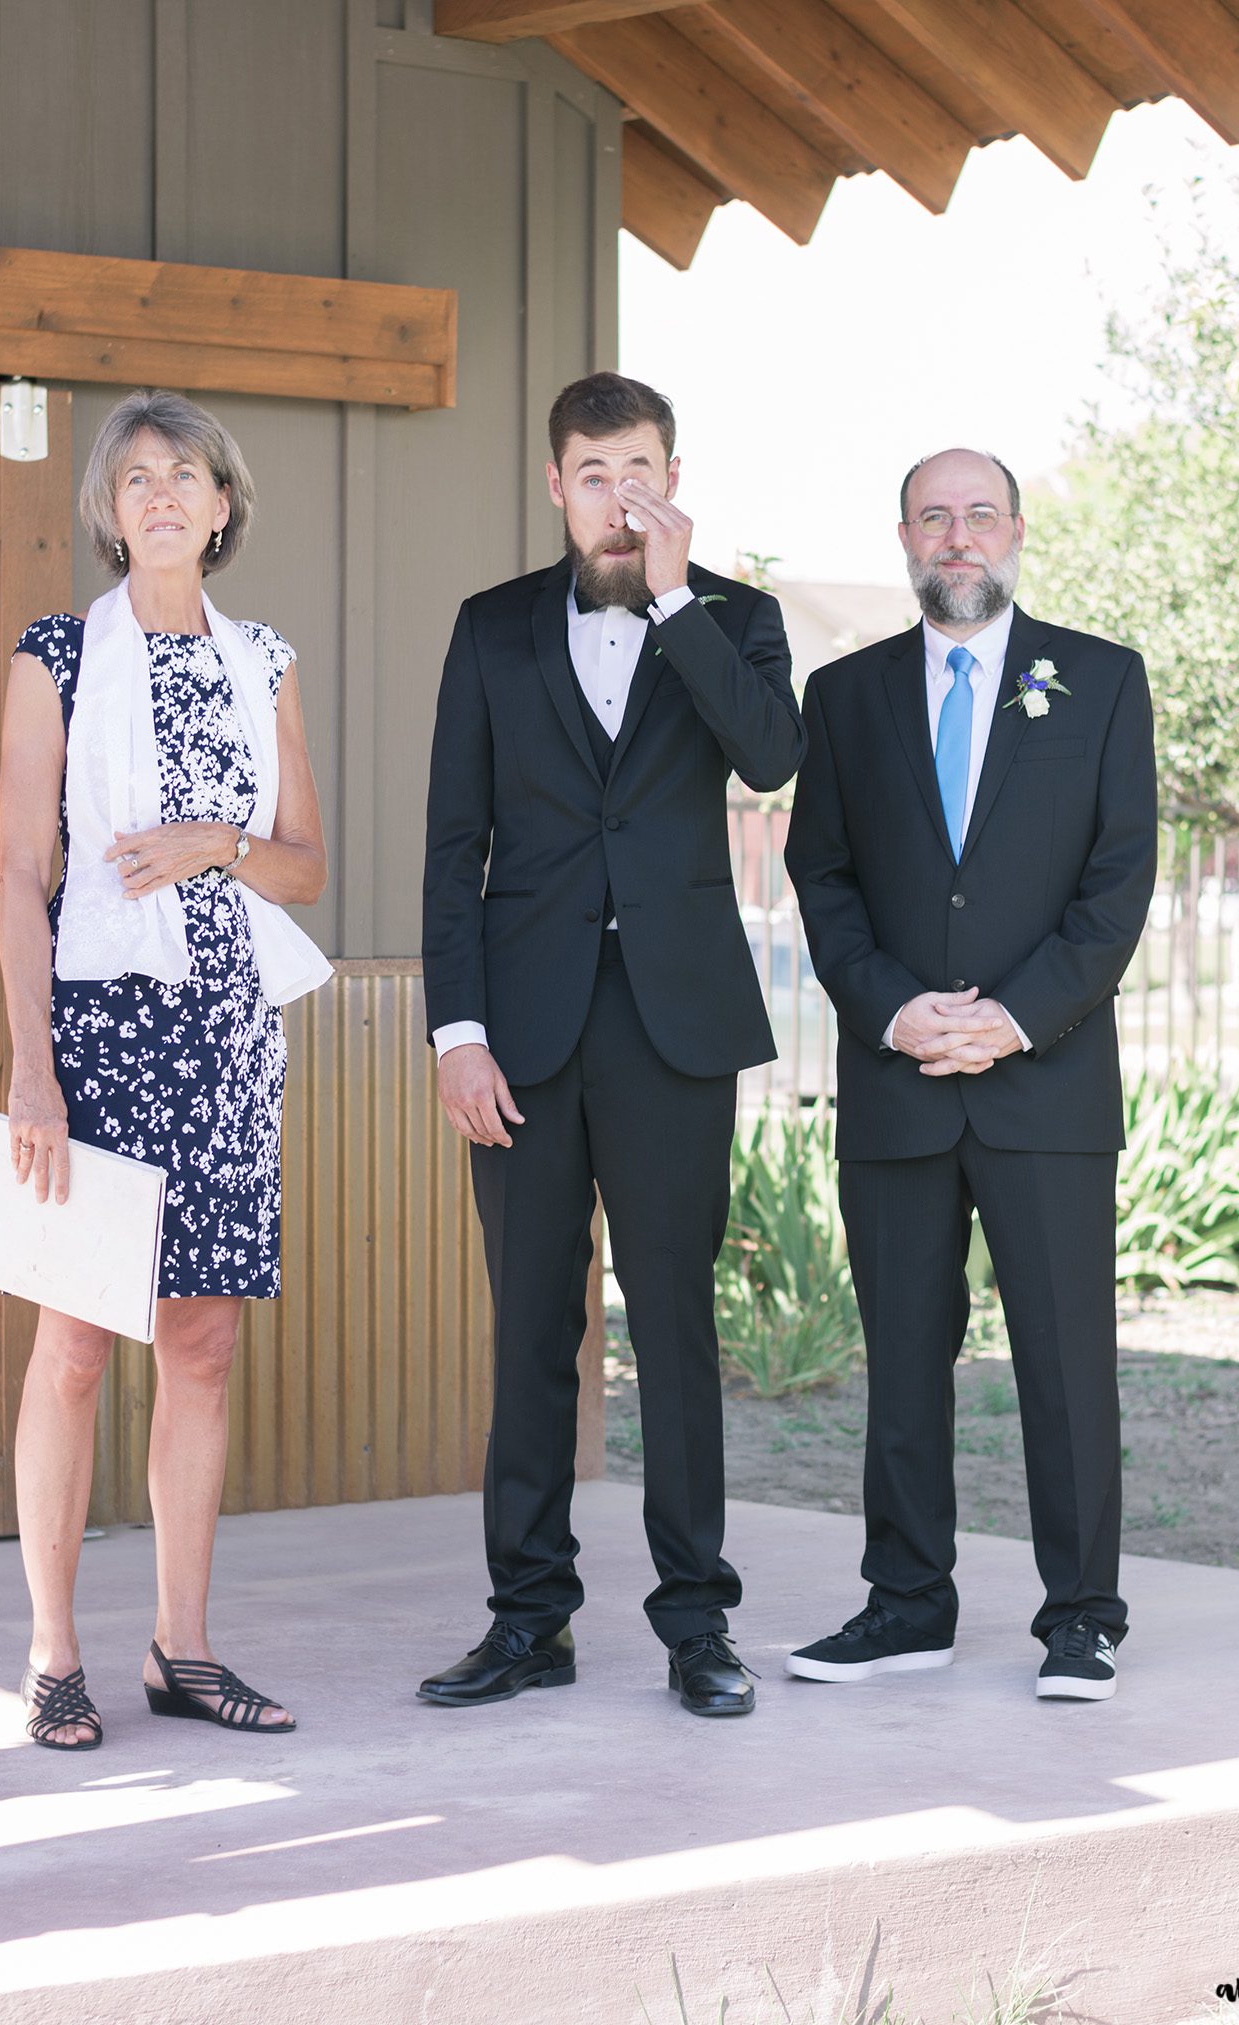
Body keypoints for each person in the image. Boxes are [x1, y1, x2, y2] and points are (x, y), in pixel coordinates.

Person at [419, 371, 805, 1717]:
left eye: (640, 470)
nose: (617, 495)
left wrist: (679, 595)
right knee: (529, 1329)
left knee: (676, 1329)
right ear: (554, 485)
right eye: (593, 473)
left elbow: (768, 756)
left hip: (672, 1031)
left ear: (672, 475)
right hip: (518, 1038)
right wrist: (454, 1036)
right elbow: (451, 846)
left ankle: (697, 1625)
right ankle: (529, 1619)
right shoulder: (489, 630)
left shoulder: (735, 620)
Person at [783, 447, 1157, 1702]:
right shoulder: (842, 697)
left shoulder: (1100, 682)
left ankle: (1083, 1618)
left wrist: (1012, 1019)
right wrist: (895, 1013)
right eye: (934, 517)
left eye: (979, 515)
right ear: (903, 537)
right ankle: (907, 1606)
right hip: (897, 1083)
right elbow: (822, 877)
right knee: (902, 1356)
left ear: (1016, 533)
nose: (958, 537)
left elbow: (1117, 888)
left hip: (1043, 1083)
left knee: (1064, 1359)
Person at [0, 388, 331, 1748]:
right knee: (74, 1341)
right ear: (108, 510)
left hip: (229, 1031)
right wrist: (33, 1068)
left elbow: (307, 864)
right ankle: (52, 1652)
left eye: (184, 472)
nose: (160, 492)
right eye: (133, 476)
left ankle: (180, 1649)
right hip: (98, 1027)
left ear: (224, 503)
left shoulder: (266, 658)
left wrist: (215, 845)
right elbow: (20, 873)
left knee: (202, 1341)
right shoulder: (58, 654)